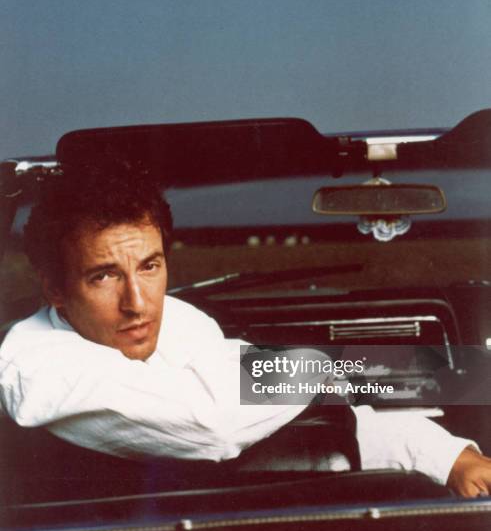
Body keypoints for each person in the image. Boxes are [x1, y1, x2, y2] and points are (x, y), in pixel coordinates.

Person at [0, 163, 490, 497]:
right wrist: (317, 365)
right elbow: (216, 423)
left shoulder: (177, 320)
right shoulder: (36, 369)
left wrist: (446, 455)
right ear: (55, 289)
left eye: (149, 266)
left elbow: (295, 415)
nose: (137, 302)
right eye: (103, 275)